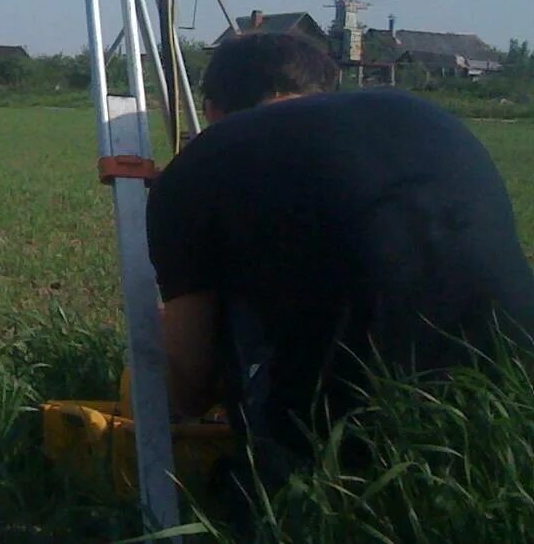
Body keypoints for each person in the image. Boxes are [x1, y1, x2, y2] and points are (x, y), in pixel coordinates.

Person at [146, 32, 534, 486]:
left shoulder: (200, 162)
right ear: (320, 88)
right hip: (510, 401)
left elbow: (188, 381)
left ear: (211, 110)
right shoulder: (422, 115)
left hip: (351, 436)